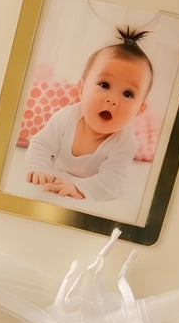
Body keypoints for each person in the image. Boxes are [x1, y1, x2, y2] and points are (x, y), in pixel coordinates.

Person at [24, 27, 153, 202]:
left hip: (89, 184)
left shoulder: (125, 143)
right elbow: (41, 144)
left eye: (128, 94)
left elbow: (112, 183)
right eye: (105, 85)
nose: (113, 100)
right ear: (81, 89)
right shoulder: (66, 117)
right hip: (56, 174)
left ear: (139, 110)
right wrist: (39, 168)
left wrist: (79, 188)